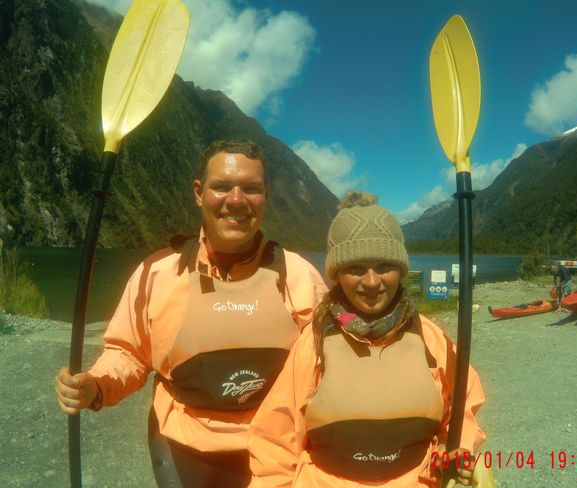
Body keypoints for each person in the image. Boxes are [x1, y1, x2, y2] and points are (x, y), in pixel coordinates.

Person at [54, 139, 328, 487]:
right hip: (183, 442)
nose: (236, 200)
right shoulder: (158, 274)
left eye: (251, 188)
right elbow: (128, 354)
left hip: (277, 446)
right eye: (222, 187)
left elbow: (326, 368)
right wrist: (95, 386)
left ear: (266, 195)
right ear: (199, 193)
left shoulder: (300, 276)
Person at [248, 191, 490, 487]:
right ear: (338, 273)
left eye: (384, 266)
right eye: (355, 268)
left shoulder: (431, 339)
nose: (372, 282)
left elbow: (462, 410)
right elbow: (274, 441)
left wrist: (456, 453)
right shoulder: (314, 344)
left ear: (400, 269)